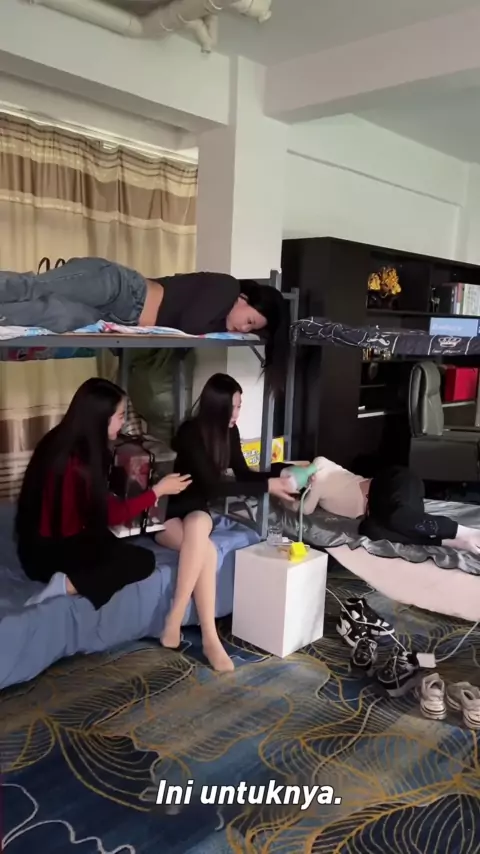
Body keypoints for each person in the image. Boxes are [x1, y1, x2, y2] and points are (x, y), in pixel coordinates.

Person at [155, 373, 298, 672]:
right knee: (205, 550)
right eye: (234, 406)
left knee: (199, 526)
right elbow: (213, 486)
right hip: (169, 512)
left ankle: (187, 628)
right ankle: (203, 635)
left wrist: (280, 475)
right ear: (218, 406)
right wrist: (267, 486)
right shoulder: (191, 433)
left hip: (197, 513)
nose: (237, 413)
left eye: (239, 406)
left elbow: (243, 474)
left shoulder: (230, 433)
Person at [15, 378, 191, 610]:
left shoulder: (58, 439)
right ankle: (66, 586)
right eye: (120, 416)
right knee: (143, 561)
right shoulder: (78, 462)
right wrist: (158, 491)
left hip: (33, 548)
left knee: (118, 543)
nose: (123, 422)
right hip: (50, 556)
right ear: (100, 417)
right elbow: (112, 515)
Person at [0, 260, 290, 391]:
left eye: (250, 330)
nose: (242, 329)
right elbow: (190, 325)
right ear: (243, 298)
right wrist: (222, 327)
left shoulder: (220, 316)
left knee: (54, 315)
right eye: (249, 321)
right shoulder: (227, 287)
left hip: (112, 319)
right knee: (33, 287)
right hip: (120, 288)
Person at [282, 457, 480, 553]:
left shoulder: (320, 466)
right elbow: (304, 509)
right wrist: (285, 496)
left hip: (389, 484)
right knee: (371, 530)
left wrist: (307, 472)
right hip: (382, 511)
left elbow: (306, 503)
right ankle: (448, 542)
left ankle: (466, 532)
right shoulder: (312, 492)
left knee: (397, 516)